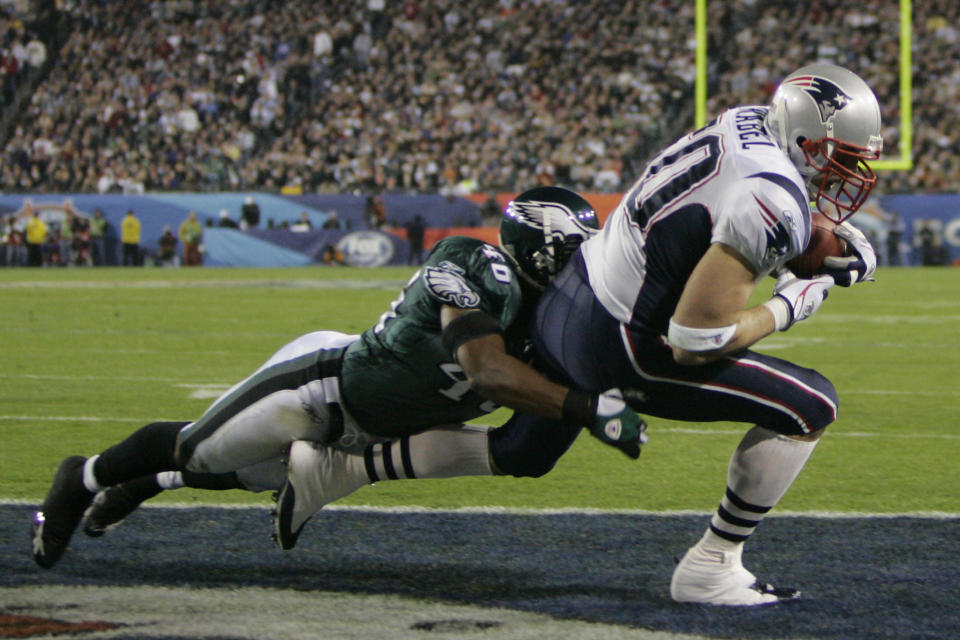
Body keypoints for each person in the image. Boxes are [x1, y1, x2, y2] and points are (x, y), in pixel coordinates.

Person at [268, 63, 884, 607]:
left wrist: (801, 244)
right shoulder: (774, 196)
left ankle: (340, 471)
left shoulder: (747, 122)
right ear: (807, 143)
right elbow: (696, 339)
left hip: (574, 295)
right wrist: (795, 300)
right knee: (809, 405)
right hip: (622, 342)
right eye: (843, 162)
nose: (850, 178)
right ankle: (712, 565)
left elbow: (707, 225)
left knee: (525, 452)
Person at [31, 187, 647, 569]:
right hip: (322, 388)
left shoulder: (547, 325)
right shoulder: (475, 260)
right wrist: (590, 408)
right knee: (200, 448)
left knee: (239, 476)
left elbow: (530, 441)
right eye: (575, 248)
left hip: (367, 434)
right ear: (542, 245)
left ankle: (152, 484)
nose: (582, 264)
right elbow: (484, 369)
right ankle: (81, 478)